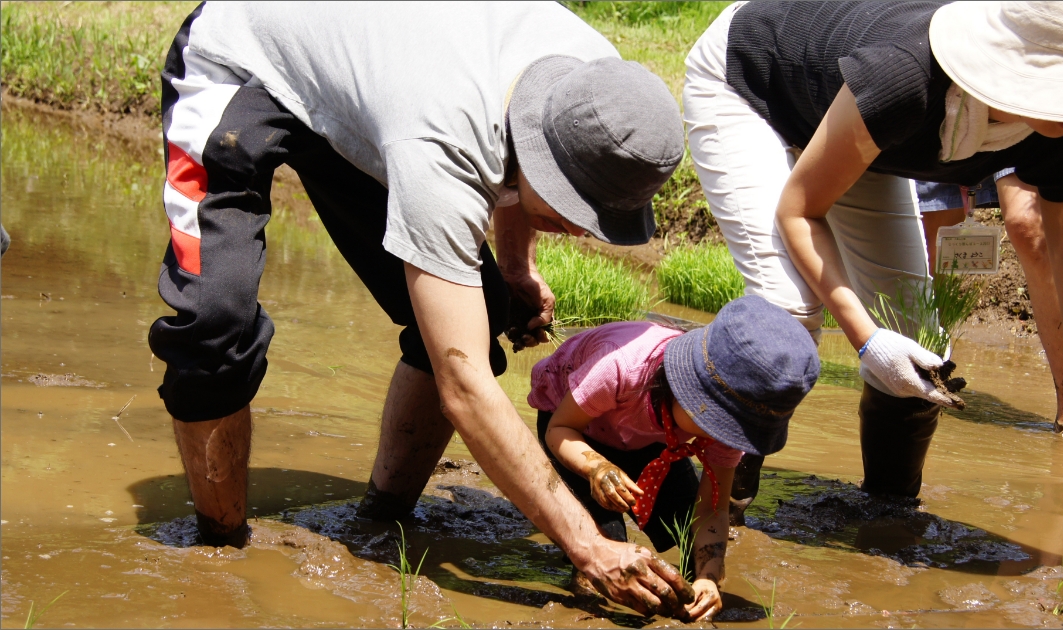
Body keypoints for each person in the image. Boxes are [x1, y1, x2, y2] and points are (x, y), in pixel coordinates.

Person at [150, 2, 697, 615]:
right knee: (213, 323)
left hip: (379, 78)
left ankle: (382, 522)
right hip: (243, 55)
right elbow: (463, 386)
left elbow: (523, 157)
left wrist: (514, 266)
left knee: (484, 308)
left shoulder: (608, 95)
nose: (581, 230)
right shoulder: (440, 143)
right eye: (576, 210)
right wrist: (588, 545)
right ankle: (219, 553)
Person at [683, 1, 1063, 524]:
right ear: (1020, 67)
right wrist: (866, 340)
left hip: (855, 128)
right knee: (789, 311)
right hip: (751, 84)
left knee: (919, 343)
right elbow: (799, 212)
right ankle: (718, 513)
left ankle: (886, 517)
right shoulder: (906, 79)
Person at [530, 296, 819, 621]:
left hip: (654, 437)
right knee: (606, 540)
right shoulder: (619, 367)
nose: (722, 437)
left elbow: (713, 509)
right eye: (716, 424)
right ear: (687, 388)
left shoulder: (728, 424)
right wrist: (597, 468)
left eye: (734, 432)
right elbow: (559, 429)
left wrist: (709, 579)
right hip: (575, 430)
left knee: (688, 534)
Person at [915, 124, 1063, 435]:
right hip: (948, 91)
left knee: (1032, 227)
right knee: (931, 240)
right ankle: (917, 403)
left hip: (1030, 88)